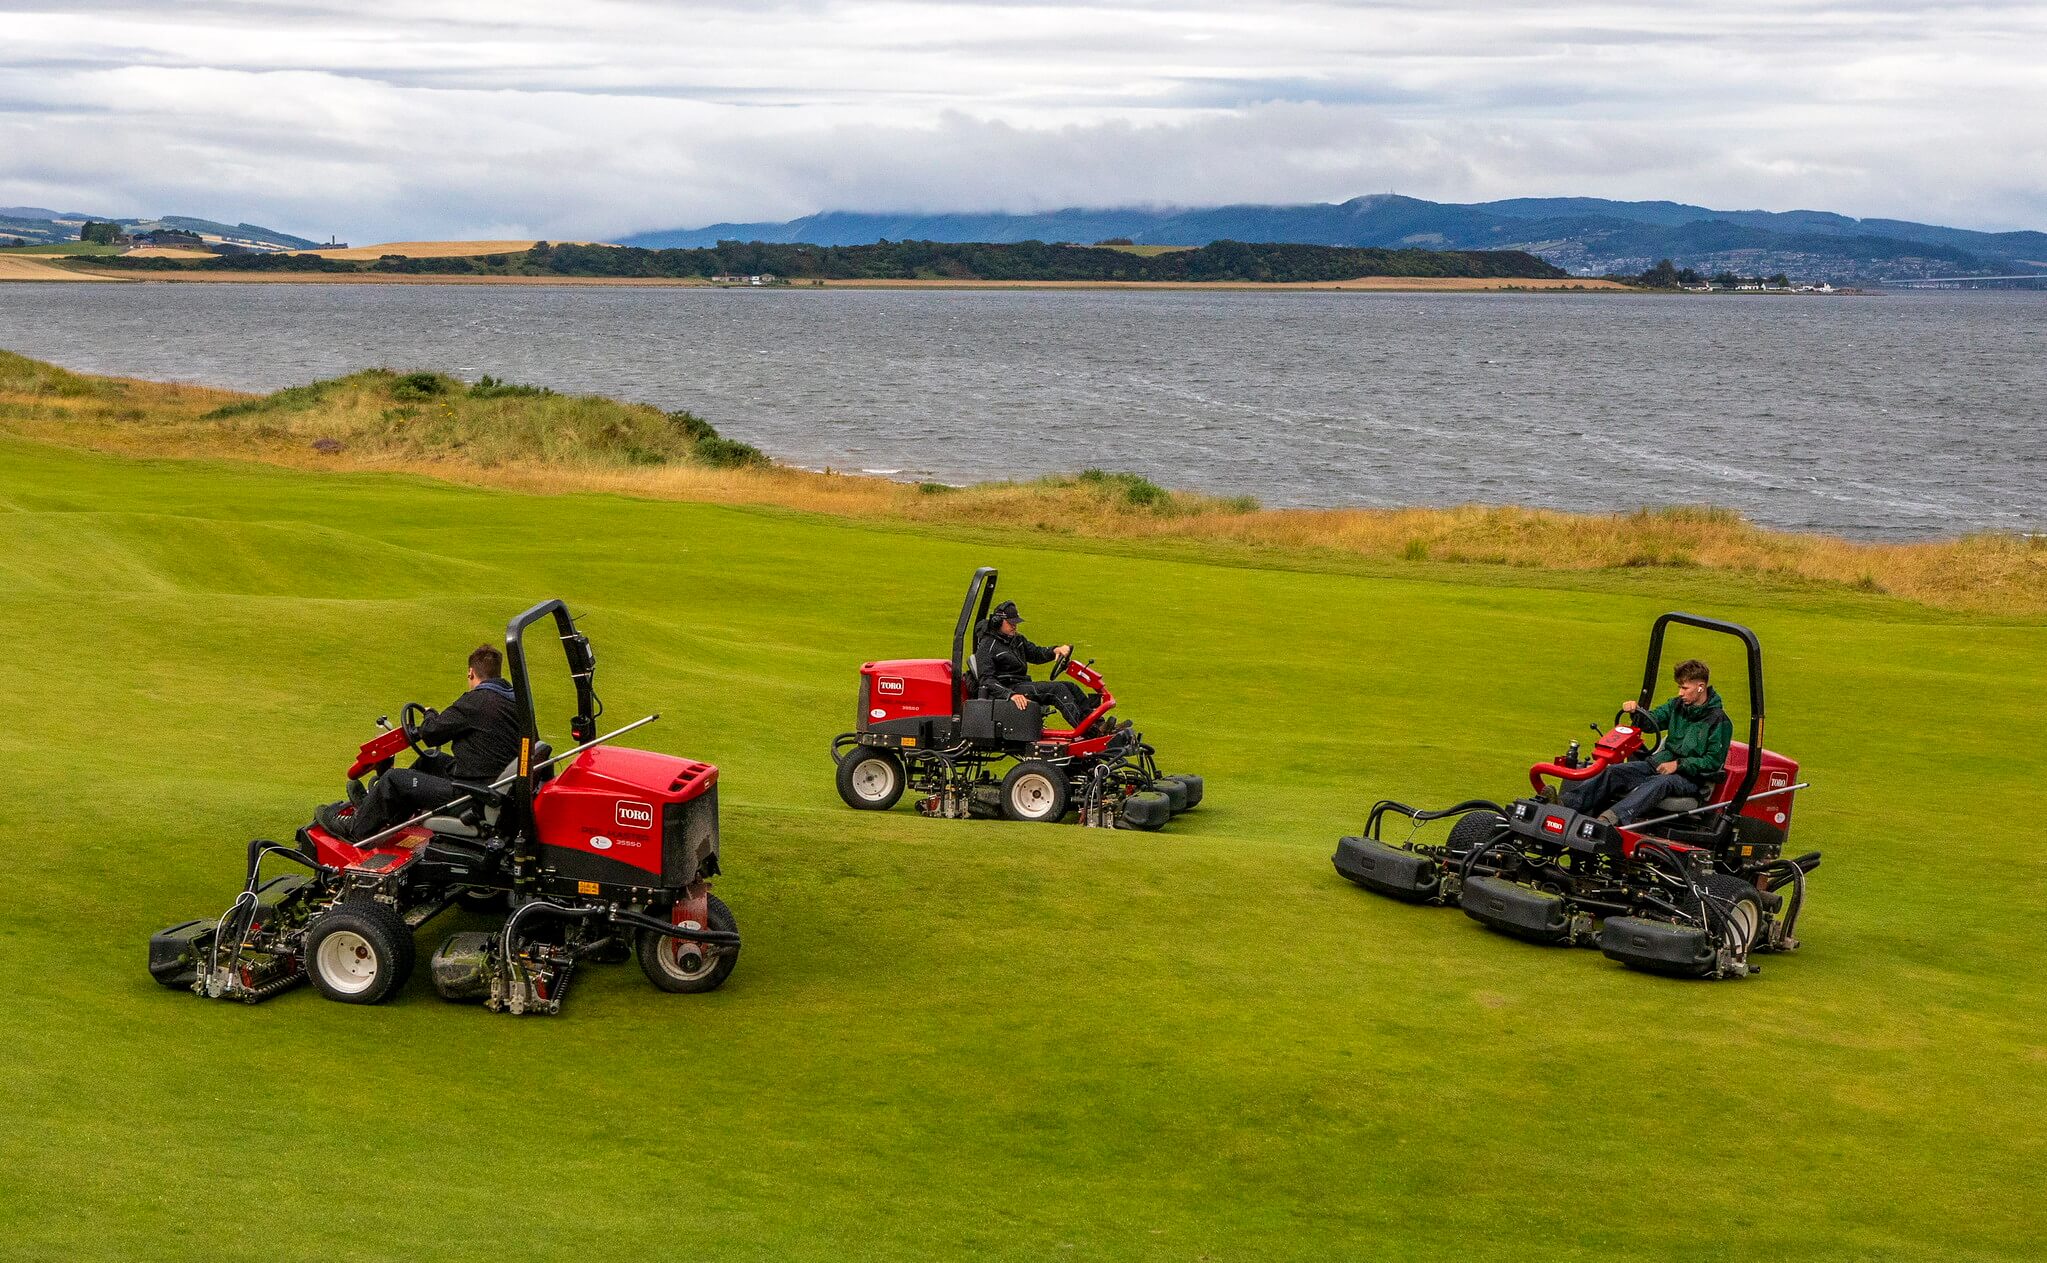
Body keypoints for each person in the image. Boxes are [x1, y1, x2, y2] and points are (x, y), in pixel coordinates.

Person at [318, 644, 524, 842]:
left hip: (474, 796)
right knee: (430, 762)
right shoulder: (514, 701)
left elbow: (432, 732)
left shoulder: (477, 702)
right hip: (495, 785)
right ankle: (378, 812)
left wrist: (430, 715)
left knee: (393, 779)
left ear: (471, 673)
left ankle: (356, 827)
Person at [1563, 658, 1733, 826]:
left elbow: (1712, 762)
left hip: (1690, 779)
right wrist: (1636, 712)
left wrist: (1678, 764)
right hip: (1660, 764)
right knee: (1614, 771)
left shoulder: (1718, 721)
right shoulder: (1676, 706)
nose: (1680, 693)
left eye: (1684, 688)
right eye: (1679, 687)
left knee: (1659, 782)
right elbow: (1651, 721)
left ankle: (1611, 819)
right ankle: (1564, 804)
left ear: (1701, 686)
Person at [972, 599, 1100, 729]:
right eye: (1011, 623)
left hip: (1021, 684)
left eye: (1016, 623)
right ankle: (1088, 731)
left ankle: (1098, 724)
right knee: (1057, 690)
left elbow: (1036, 653)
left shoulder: (1016, 639)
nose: (1014, 626)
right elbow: (986, 680)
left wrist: (1055, 650)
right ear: (998, 622)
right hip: (1008, 688)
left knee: (1071, 686)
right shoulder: (987, 646)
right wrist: (1010, 695)